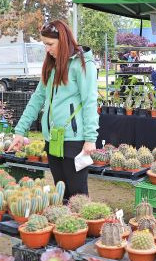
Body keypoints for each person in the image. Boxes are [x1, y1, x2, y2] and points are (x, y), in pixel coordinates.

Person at [8, 20, 98, 200]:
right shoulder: (51, 65)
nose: (47, 49)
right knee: (61, 193)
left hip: (75, 140)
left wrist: (90, 138)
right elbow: (37, 99)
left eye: (50, 44)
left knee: (78, 196)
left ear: (63, 41)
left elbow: (90, 101)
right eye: (44, 44)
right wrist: (20, 130)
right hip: (53, 139)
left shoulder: (82, 64)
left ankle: (83, 227)